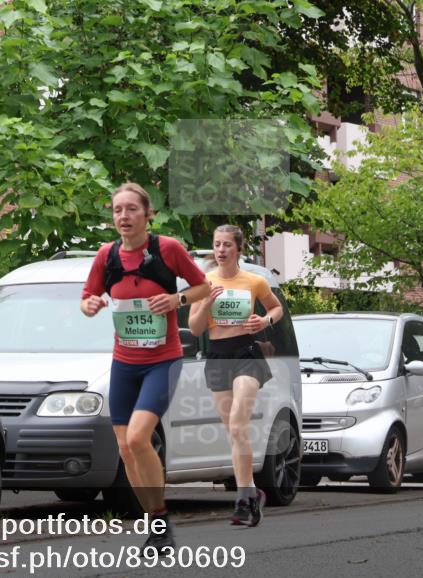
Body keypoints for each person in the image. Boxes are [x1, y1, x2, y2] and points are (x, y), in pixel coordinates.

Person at [80, 183, 209, 552]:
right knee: (125, 448)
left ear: (147, 214)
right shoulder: (106, 256)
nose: (124, 216)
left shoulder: (167, 249)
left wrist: (175, 299)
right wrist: (89, 305)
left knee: (138, 437)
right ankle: (156, 522)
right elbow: (88, 296)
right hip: (124, 362)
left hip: (162, 361)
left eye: (132, 209)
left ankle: (159, 518)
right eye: (118, 210)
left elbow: (202, 286)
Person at [188, 225, 283, 524]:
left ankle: (243, 500)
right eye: (217, 244)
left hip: (247, 355)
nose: (221, 250)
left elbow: (276, 308)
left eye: (227, 244)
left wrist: (264, 320)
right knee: (234, 431)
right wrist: (206, 302)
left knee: (239, 423)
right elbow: (195, 328)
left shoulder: (253, 281)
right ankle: (253, 493)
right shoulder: (203, 281)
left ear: (238, 249)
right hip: (218, 356)